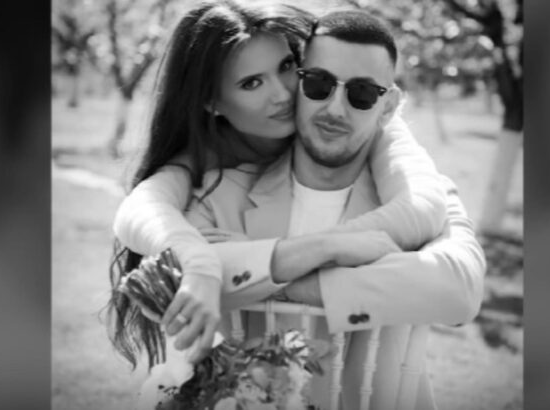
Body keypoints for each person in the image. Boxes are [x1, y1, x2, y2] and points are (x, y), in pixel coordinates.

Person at [108, 0, 448, 366]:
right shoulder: (206, 156)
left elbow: (423, 208)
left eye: (286, 66)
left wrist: (307, 256)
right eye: (251, 83)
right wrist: (201, 264)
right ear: (212, 103)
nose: (284, 94)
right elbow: (139, 210)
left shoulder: (363, 121)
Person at [177, 9, 486, 409]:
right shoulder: (221, 194)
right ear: (298, 83)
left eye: (362, 94)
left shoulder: (421, 195)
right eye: (319, 84)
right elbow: (178, 271)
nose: (336, 109)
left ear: (388, 105)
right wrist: (326, 251)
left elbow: (460, 291)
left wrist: (289, 280)